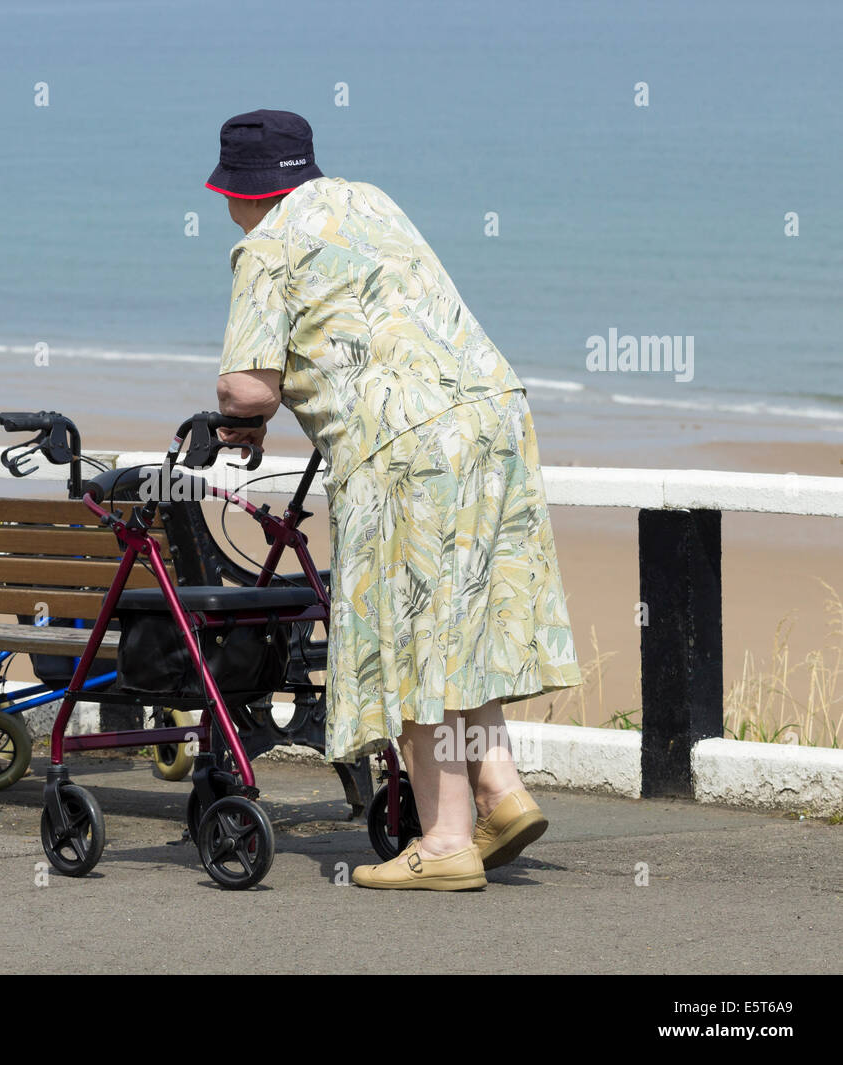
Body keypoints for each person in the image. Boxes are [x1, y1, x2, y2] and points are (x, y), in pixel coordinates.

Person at [208, 110, 582, 890]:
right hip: (495, 412)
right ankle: (501, 792)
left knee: (411, 632)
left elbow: (248, 384)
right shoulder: (371, 200)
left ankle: (446, 840)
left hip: (403, 442)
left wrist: (241, 417)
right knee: (460, 624)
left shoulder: (265, 245)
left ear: (240, 192)